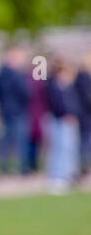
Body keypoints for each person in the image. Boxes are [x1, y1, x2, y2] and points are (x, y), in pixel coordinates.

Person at [0, 47, 30, 176]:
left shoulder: (1, 74)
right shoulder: (16, 74)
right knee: (20, 142)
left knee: (5, 142)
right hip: (17, 111)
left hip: (5, 111)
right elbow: (24, 93)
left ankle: (4, 168)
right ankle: (21, 168)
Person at [44, 59, 79, 192]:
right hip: (59, 120)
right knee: (59, 148)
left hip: (69, 121)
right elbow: (55, 104)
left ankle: (67, 174)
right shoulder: (54, 85)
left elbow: (75, 104)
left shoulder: (68, 87)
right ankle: (57, 176)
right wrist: (65, 114)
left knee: (69, 149)